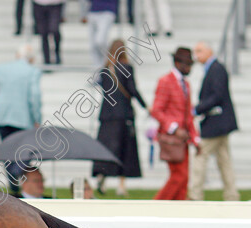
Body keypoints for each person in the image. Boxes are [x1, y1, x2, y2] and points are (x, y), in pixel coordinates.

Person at [91, 39, 147, 197]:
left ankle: (102, 175)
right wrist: (145, 106)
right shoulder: (127, 68)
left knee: (106, 149)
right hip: (124, 115)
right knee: (125, 150)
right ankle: (121, 185)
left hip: (107, 116)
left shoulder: (105, 70)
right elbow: (132, 90)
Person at [190, 42, 240, 201]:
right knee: (224, 160)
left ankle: (195, 194)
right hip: (219, 123)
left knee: (200, 155)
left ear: (209, 51)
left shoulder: (216, 69)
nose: (196, 55)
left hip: (216, 123)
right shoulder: (213, 69)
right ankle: (231, 195)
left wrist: (197, 109)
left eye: (199, 51)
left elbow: (217, 96)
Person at [151, 47, 198, 201]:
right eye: (187, 64)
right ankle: (156, 206)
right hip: (171, 139)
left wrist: (195, 138)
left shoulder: (187, 84)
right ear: (178, 63)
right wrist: (174, 128)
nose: (190, 68)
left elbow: (188, 115)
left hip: (183, 139)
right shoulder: (165, 81)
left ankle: (178, 211)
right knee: (179, 176)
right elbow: (156, 110)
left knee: (184, 180)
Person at [0, 44, 42, 142]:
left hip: (2, 116)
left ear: (17, 55)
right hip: (24, 119)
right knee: (20, 152)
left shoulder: (2, 68)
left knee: (5, 149)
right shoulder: (32, 71)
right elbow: (34, 95)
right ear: (32, 59)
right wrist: (37, 119)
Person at [87, 0, 118, 68]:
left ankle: (108, 63)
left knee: (100, 41)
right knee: (93, 45)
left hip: (107, 11)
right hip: (93, 11)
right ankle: (98, 69)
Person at [32, 0, 64, 65]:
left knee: (54, 29)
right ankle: (46, 60)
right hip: (39, 4)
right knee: (43, 33)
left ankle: (57, 52)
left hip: (55, 4)